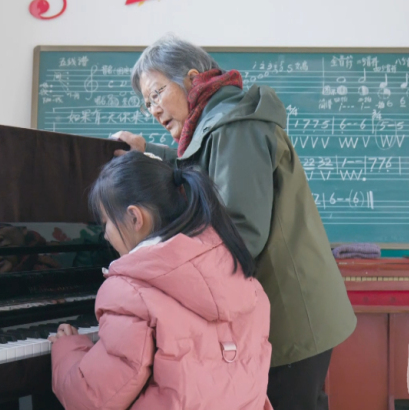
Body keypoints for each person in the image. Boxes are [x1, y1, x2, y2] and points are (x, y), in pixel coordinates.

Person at [112, 34, 357, 410]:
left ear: (191, 79)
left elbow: (242, 232)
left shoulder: (234, 126)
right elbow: (199, 161)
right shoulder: (220, 122)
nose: (154, 110)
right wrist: (147, 152)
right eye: (147, 104)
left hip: (288, 314)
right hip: (285, 308)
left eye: (157, 94)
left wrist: (163, 272)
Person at [49, 151, 273, 409]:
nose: (106, 235)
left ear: (135, 218)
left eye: (106, 222)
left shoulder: (129, 292)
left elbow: (92, 399)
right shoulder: (245, 280)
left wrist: (68, 350)